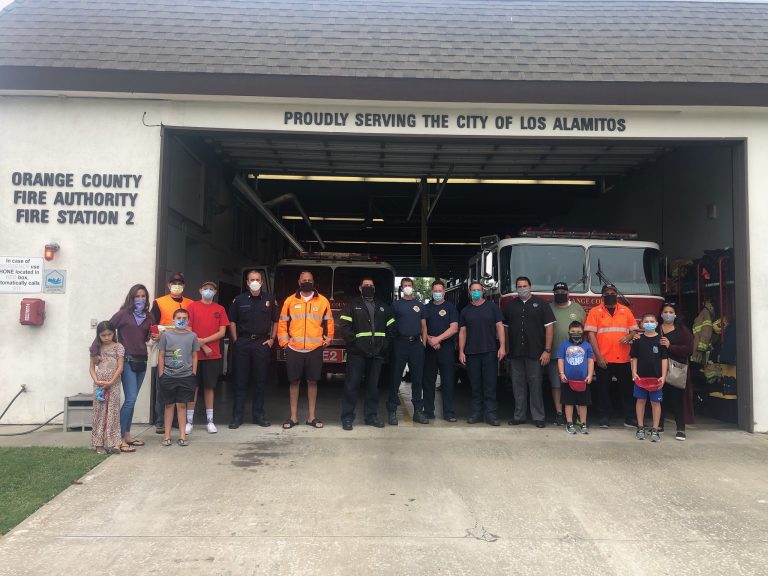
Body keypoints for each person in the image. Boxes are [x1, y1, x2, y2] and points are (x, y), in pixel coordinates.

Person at [277, 271, 334, 429]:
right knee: (293, 382)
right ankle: (293, 417)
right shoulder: (290, 301)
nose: (306, 282)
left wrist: (328, 339)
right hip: (293, 348)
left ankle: (311, 417)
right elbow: (282, 323)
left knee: (312, 382)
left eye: (309, 280)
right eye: (304, 280)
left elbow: (329, 322)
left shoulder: (322, 301)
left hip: (314, 349)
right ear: (299, 282)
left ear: (313, 281)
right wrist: (284, 343)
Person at [337, 277, 396, 430]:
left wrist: (385, 345)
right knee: (352, 385)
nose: (368, 287)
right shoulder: (352, 305)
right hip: (357, 353)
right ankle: (347, 417)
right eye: (366, 285)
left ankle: (371, 416)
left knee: (373, 387)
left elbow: (392, 328)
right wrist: (355, 343)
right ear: (360, 288)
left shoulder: (383, 306)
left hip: (377, 353)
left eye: (371, 285)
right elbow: (344, 326)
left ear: (374, 288)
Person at [228, 270, 279, 428]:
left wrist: (272, 339)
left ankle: (259, 416)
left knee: (260, 381)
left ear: (262, 282)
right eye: (252, 279)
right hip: (243, 342)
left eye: (257, 279)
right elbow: (232, 321)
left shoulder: (270, 299)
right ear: (247, 282)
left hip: (261, 343)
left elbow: (276, 321)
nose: (255, 281)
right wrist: (236, 340)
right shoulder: (239, 299)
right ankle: (237, 417)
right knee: (240, 381)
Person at [104, 284, 152, 452]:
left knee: (132, 401)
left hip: (142, 361)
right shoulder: (123, 314)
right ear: (131, 298)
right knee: (130, 399)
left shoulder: (149, 316)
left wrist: (154, 336)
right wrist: (97, 350)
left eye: (143, 296)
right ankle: (119, 438)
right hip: (127, 361)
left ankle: (127, 435)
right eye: (137, 296)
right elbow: (106, 329)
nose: (140, 299)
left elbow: (145, 338)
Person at [504, 276, 555, 428]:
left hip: (536, 353)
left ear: (530, 287)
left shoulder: (542, 304)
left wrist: (547, 350)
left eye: (525, 286)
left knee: (535, 385)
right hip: (515, 353)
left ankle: (538, 417)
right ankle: (519, 416)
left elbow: (550, 328)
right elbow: (505, 329)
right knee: (517, 385)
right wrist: (507, 350)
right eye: (519, 286)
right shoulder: (510, 305)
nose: (522, 289)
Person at [584, 284, 638, 428]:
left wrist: (629, 336)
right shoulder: (595, 312)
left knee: (627, 389)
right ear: (602, 295)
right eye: (607, 292)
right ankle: (604, 417)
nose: (610, 294)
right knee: (603, 390)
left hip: (624, 358)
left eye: (613, 292)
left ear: (617, 294)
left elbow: (634, 330)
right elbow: (591, 335)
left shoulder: (625, 311)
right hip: (603, 359)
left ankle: (629, 417)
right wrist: (598, 356)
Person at [458, 281, 506, 426]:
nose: (476, 292)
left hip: (490, 351)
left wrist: (502, 346)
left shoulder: (492, 307)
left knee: (490, 385)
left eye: (478, 290)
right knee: (475, 385)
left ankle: (490, 415)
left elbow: (500, 326)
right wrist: (461, 351)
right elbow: (462, 332)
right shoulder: (465, 311)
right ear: (469, 292)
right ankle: (476, 414)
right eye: (473, 290)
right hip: (472, 353)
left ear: (483, 291)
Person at [151, 272, 193, 433]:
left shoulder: (190, 303)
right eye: (174, 283)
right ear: (169, 286)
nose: (177, 286)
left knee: (181, 384)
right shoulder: (159, 302)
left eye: (180, 283)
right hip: (166, 347)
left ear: (184, 286)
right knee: (163, 383)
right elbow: (153, 325)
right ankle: (160, 421)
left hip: (183, 349)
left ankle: (177, 420)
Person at [187, 280, 230, 434]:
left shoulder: (220, 309)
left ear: (215, 292)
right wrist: (203, 345)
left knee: (209, 387)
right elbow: (189, 329)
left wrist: (205, 341)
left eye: (211, 289)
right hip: (194, 355)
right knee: (193, 387)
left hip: (213, 355)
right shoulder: (192, 307)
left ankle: (210, 421)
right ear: (200, 290)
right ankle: (189, 421)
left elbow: (222, 332)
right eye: (205, 288)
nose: (208, 291)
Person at [387, 278, 428, 425]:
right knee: (396, 377)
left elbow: (424, 326)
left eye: (410, 285)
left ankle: (418, 411)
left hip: (416, 344)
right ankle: (392, 411)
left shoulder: (420, 305)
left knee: (417, 379)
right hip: (400, 343)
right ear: (401, 288)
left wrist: (423, 344)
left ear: (413, 287)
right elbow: (390, 325)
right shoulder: (396, 305)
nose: (408, 287)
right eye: (405, 286)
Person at [157, 308, 200, 446]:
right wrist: (161, 374)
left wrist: (193, 372)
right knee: (169, 405)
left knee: (182, 405)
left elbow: (194, 356)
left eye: (184, 318)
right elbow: (161, 355)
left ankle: (182, 436)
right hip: (168, 375)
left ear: (188, 320)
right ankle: (167, 435)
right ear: (173, 319)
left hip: (186, 376)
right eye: (179, 318)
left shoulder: (192, 336)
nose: (181, 320)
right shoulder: (166, 336)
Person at [548, 282, 586, 426]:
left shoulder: (578, 308)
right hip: (555, 354)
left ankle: (576, 415)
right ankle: (559, 413)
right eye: (557, 291)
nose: (560, 293)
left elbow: (585, 332)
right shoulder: (548, 307)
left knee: (575, 385)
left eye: (563, 291)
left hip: (576, 356)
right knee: (556, 385)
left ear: (568, 292)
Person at [422, 280, 459, 422]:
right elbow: (421, 327)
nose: (437, 293)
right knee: (428, 381)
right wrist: (430, 340)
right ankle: (428, 411)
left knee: (448, 381)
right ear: (432, 292)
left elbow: (454, 328)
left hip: (446, 349)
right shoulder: (425, 308)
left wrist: (438, 339)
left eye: (440, 291)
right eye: (435, 291)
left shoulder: (451, 308)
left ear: (444, 292)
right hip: (429, 350)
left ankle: (449, 412)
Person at [631, 313, 668, 442]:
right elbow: (634, 357)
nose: (649, 323)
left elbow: (664, 359)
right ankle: (640, 427)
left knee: (655, 403)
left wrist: (663, 376)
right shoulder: (637, 340)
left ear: (657, 323)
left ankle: (655, 429)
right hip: (640, 378)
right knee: (640, 401)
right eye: (646, 321)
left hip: (656, 378)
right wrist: (634, 372)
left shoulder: (661, 340)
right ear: (641, 324)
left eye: (652, 321)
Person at [89, 321, 125, 454]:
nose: (106, 338)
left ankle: (113, 443)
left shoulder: (118, 347)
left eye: (109, 334)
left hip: (113, 383)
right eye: (103, 335)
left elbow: (120, 367)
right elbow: (91, 368)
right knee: (99, 413)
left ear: (113, 333)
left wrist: (111, 381)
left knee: (112, 412)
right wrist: (96, 380)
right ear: (98, 335)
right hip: (99, 385)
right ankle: (98, 444)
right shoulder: (96, 349)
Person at [659, 303, 693, 441]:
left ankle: (680, 429)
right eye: (665, 311)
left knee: (677, 400)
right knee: (659, 399)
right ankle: (659, 426)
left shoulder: (682, 330)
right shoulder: (656, 328)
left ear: (675, 314)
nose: (668, 314)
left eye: (670, 312)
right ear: (661, 314)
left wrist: (670, 347)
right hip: (659, 370)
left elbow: (689, 350)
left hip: (676, 370)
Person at [557, 321, 594, 435]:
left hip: (583, 380)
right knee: (569, 402)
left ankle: (583, 423)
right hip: (567, 380)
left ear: (583, 332)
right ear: (568, 332)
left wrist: (590, 375)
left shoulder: (587, 345)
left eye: (578, 331)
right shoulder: (564, 345)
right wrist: (562, 373)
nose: (576, 333)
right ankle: (569, 423)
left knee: (583, 403)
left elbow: (590, 360)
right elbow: (561, 359)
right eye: (573, 331)